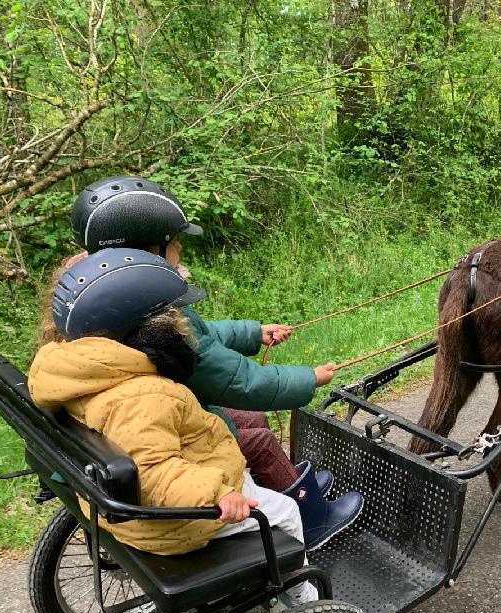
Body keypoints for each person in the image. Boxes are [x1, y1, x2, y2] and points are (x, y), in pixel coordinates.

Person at [39, 180, 364, 549]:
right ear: (146, 248)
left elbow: (200, 336)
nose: (180, 248)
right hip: (166, 445)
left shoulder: (93, 303)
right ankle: (308, 514)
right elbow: (239, 380)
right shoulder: (151, 322)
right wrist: (308, 378)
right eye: (174, 241)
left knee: (249, 420)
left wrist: (252, 333)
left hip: (134, 434)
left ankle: (287, 481)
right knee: (255, 437)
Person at [29, 249, 323, 607]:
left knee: (249, 436)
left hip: (141, 499)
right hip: (176, 519)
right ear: (145, 329)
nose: (182, 326)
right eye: (171, 319)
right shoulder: (142, 395)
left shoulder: (85, 368)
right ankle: (302, 601)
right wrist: (217, 492)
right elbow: (155, 473)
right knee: (286, 513)